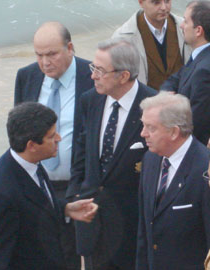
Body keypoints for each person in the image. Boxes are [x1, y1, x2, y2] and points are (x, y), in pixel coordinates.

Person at [65, 38, 156, 270]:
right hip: (93, 223)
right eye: (93, 68)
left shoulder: (153, 106)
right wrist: (75, 197)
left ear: (123, 76)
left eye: (100, 70)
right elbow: (81, 155)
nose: (93, 75)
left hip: (133, 228)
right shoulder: (90, 100)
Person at [0, 102, 98, 270]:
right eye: (51, 136)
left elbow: (35, 202)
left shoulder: (30, 163)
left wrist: (65, 208)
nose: (59, 138)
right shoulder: (2, 194)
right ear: (32, 146)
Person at [14, 21, 94, 269]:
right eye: (39, 55)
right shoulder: (27, 76)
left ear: (70, 48)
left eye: (52, 54)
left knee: (77, 253)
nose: (45, 62)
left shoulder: (91, 76)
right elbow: (17, 133)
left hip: (77, 185)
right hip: (38, 185)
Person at [137, 92, 210, 270]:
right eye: (143, 126)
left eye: (151, 128)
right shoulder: (150, 160)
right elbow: (144, 229)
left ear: (174, 132)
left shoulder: (207, 169)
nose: (143, 133)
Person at [160, 0, 210, 145]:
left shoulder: (207, 71)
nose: (181, 25)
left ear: (198, 31)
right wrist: (166, 94)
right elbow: (175, 79)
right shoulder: (205, 55)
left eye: (185, 22)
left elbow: (195, 123)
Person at [112, 0, 191, 90]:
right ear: (141, 3)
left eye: (167, 1)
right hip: (146, 101)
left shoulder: (188, 29)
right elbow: (118, 80)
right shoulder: (122, 38)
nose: (164, 7)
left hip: (184, 100)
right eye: (156, 2)